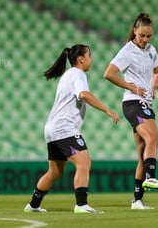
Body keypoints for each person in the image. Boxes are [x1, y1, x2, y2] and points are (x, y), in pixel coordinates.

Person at [24, 44, 119, 214]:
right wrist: (107, 110)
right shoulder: (78, 74)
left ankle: (33, 205)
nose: (91, 59)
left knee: (55, 171)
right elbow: (84, 94)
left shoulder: (68, 75)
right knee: (84, 162)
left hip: (51, 128)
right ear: (81, 59)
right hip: (64, 127)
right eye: (89, 55)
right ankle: (81, 205)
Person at [104, 13, 158, 210]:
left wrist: (154, 88)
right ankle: (151, 177)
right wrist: (132, 87)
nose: (145, 39)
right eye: (142, 35)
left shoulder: (152, 50)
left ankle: (137, 201)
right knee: (154, 138)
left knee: (143, 152)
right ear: (134, 31)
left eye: (149, 36)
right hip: (133, 102)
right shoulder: (127, 51)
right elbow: (108, 73)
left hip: (145, 103)